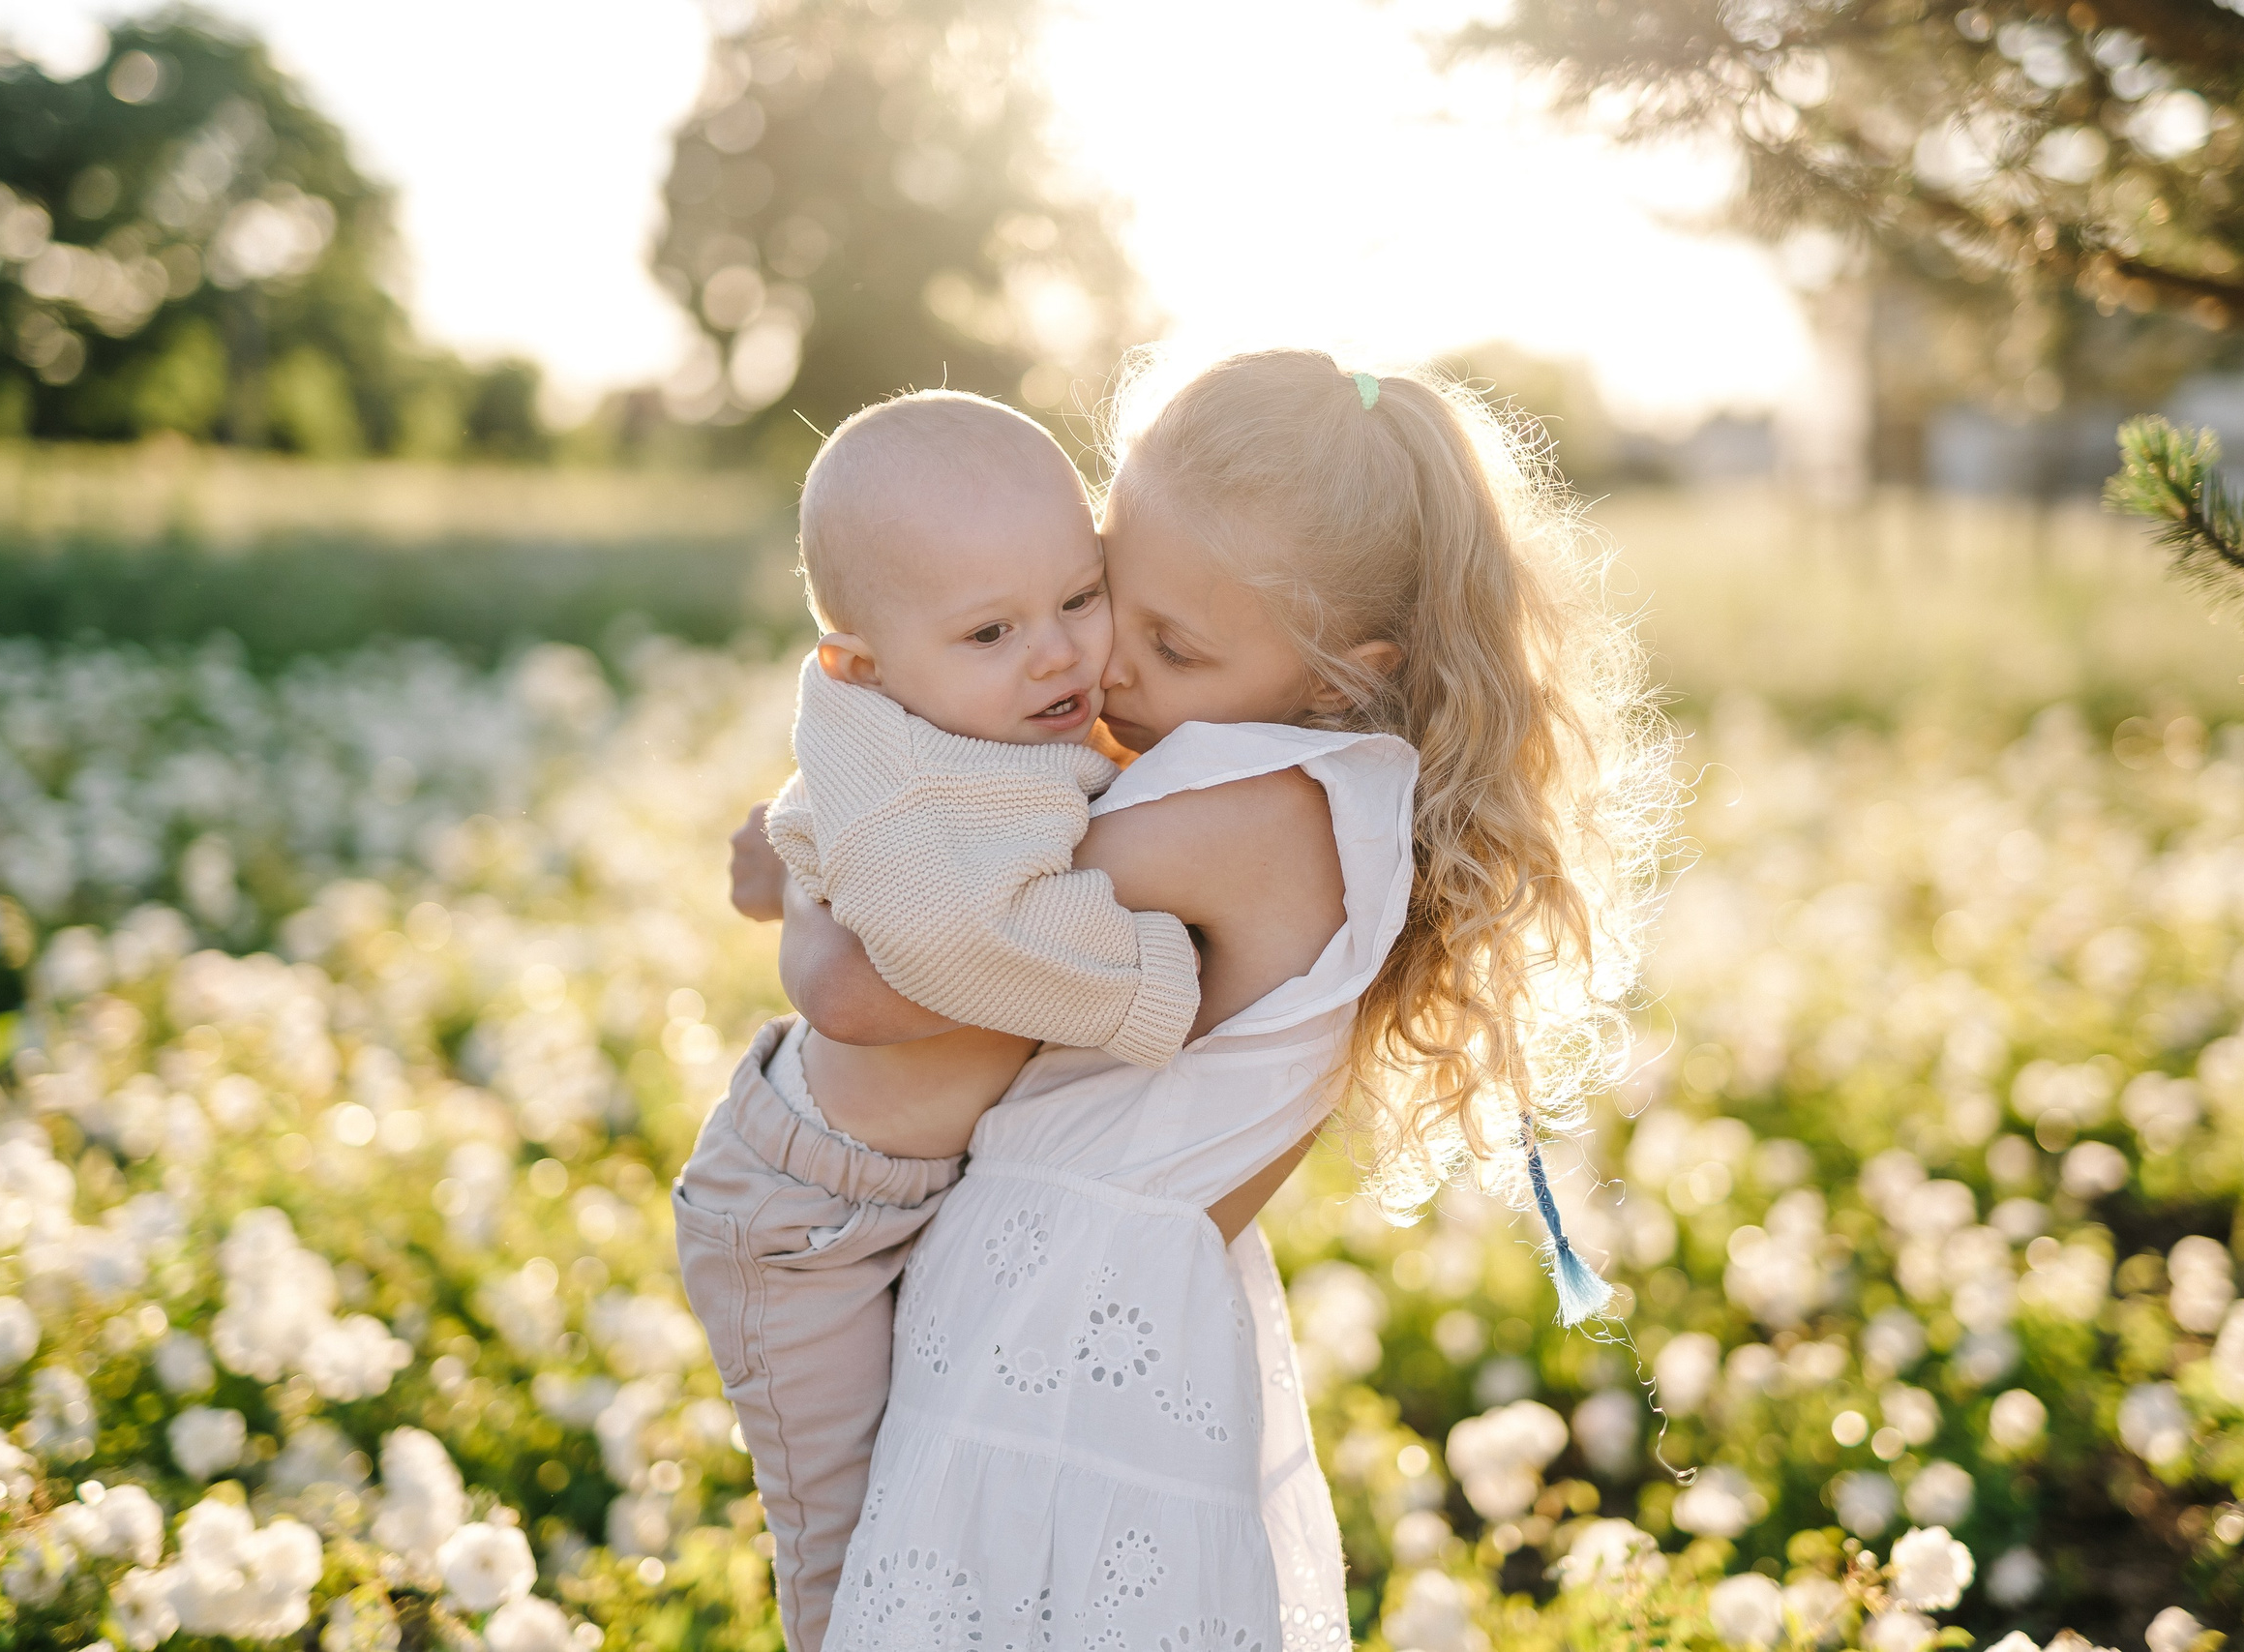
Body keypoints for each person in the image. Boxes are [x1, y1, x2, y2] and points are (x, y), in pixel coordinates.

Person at [760, 349, 1667, 1649]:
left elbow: (881, 964)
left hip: (1058, 1325)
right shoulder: (1336, 787)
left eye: (1171, 644)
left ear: (1344, 672)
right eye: (1105, 590)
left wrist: (792, 857)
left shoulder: (1235, 815)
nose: (1106, 664)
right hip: (1111, 1305)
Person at [675, 389, 1205, 1652]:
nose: (1058, 655)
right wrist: (1160, 974)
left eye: (1079, 597)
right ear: (862, 666)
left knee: (950, 1518)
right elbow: (956, 954)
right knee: (850, 1548)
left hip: (914, 1196)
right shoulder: (913, 798)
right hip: (803, 1222)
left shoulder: (994, 718)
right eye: (989, 630)